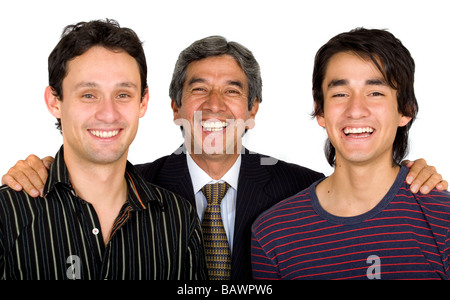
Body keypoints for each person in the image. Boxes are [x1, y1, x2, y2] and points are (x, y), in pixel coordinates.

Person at [1, 35, 447, 280]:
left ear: (253, 111)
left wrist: (410, 174)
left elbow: (360, 184)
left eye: (233, 91)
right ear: (173, 107)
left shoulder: (299, 187)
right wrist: (40, 170)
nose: (214, 105)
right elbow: (90, 167)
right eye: (198, 90)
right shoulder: (141, 191)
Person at [0, 19, 207, 280]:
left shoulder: (179, 219)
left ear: (143, 102)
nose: (108, 114)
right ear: (54, 101)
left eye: (123, 94)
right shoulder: (6, 214)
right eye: (88, 95)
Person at [251, 28, 450, 280]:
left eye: (375, 92)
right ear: (320, 111)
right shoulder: (272, 233)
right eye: (340, 94)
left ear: (406, 110)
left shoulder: (444, 222)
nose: (356, 110)